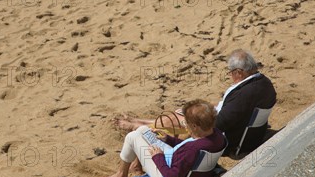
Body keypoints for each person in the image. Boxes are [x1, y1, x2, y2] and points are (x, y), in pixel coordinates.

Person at [114, 49, 277, 154]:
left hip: (229, 140)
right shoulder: (262, 82)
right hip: (246, 132)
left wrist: (201, 117)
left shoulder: (245, 93)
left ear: (240, 72)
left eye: (231, 72)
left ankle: (141, 127)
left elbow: (219, 124)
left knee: (181, 117)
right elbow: (232, 109)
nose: (230, 76)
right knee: (183, 111)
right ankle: (143, 121)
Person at [103, 99, 226, 177]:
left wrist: (158, 157)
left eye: (186, 123)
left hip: (164, 173)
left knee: (132, 136)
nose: (185, 126)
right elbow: (186, 148)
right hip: (177, 163)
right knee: (143, 130)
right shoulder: (216, 136)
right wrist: (168, 139)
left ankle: (120, 176)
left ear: (194, 125)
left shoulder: (192, 149)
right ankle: (135, 167)